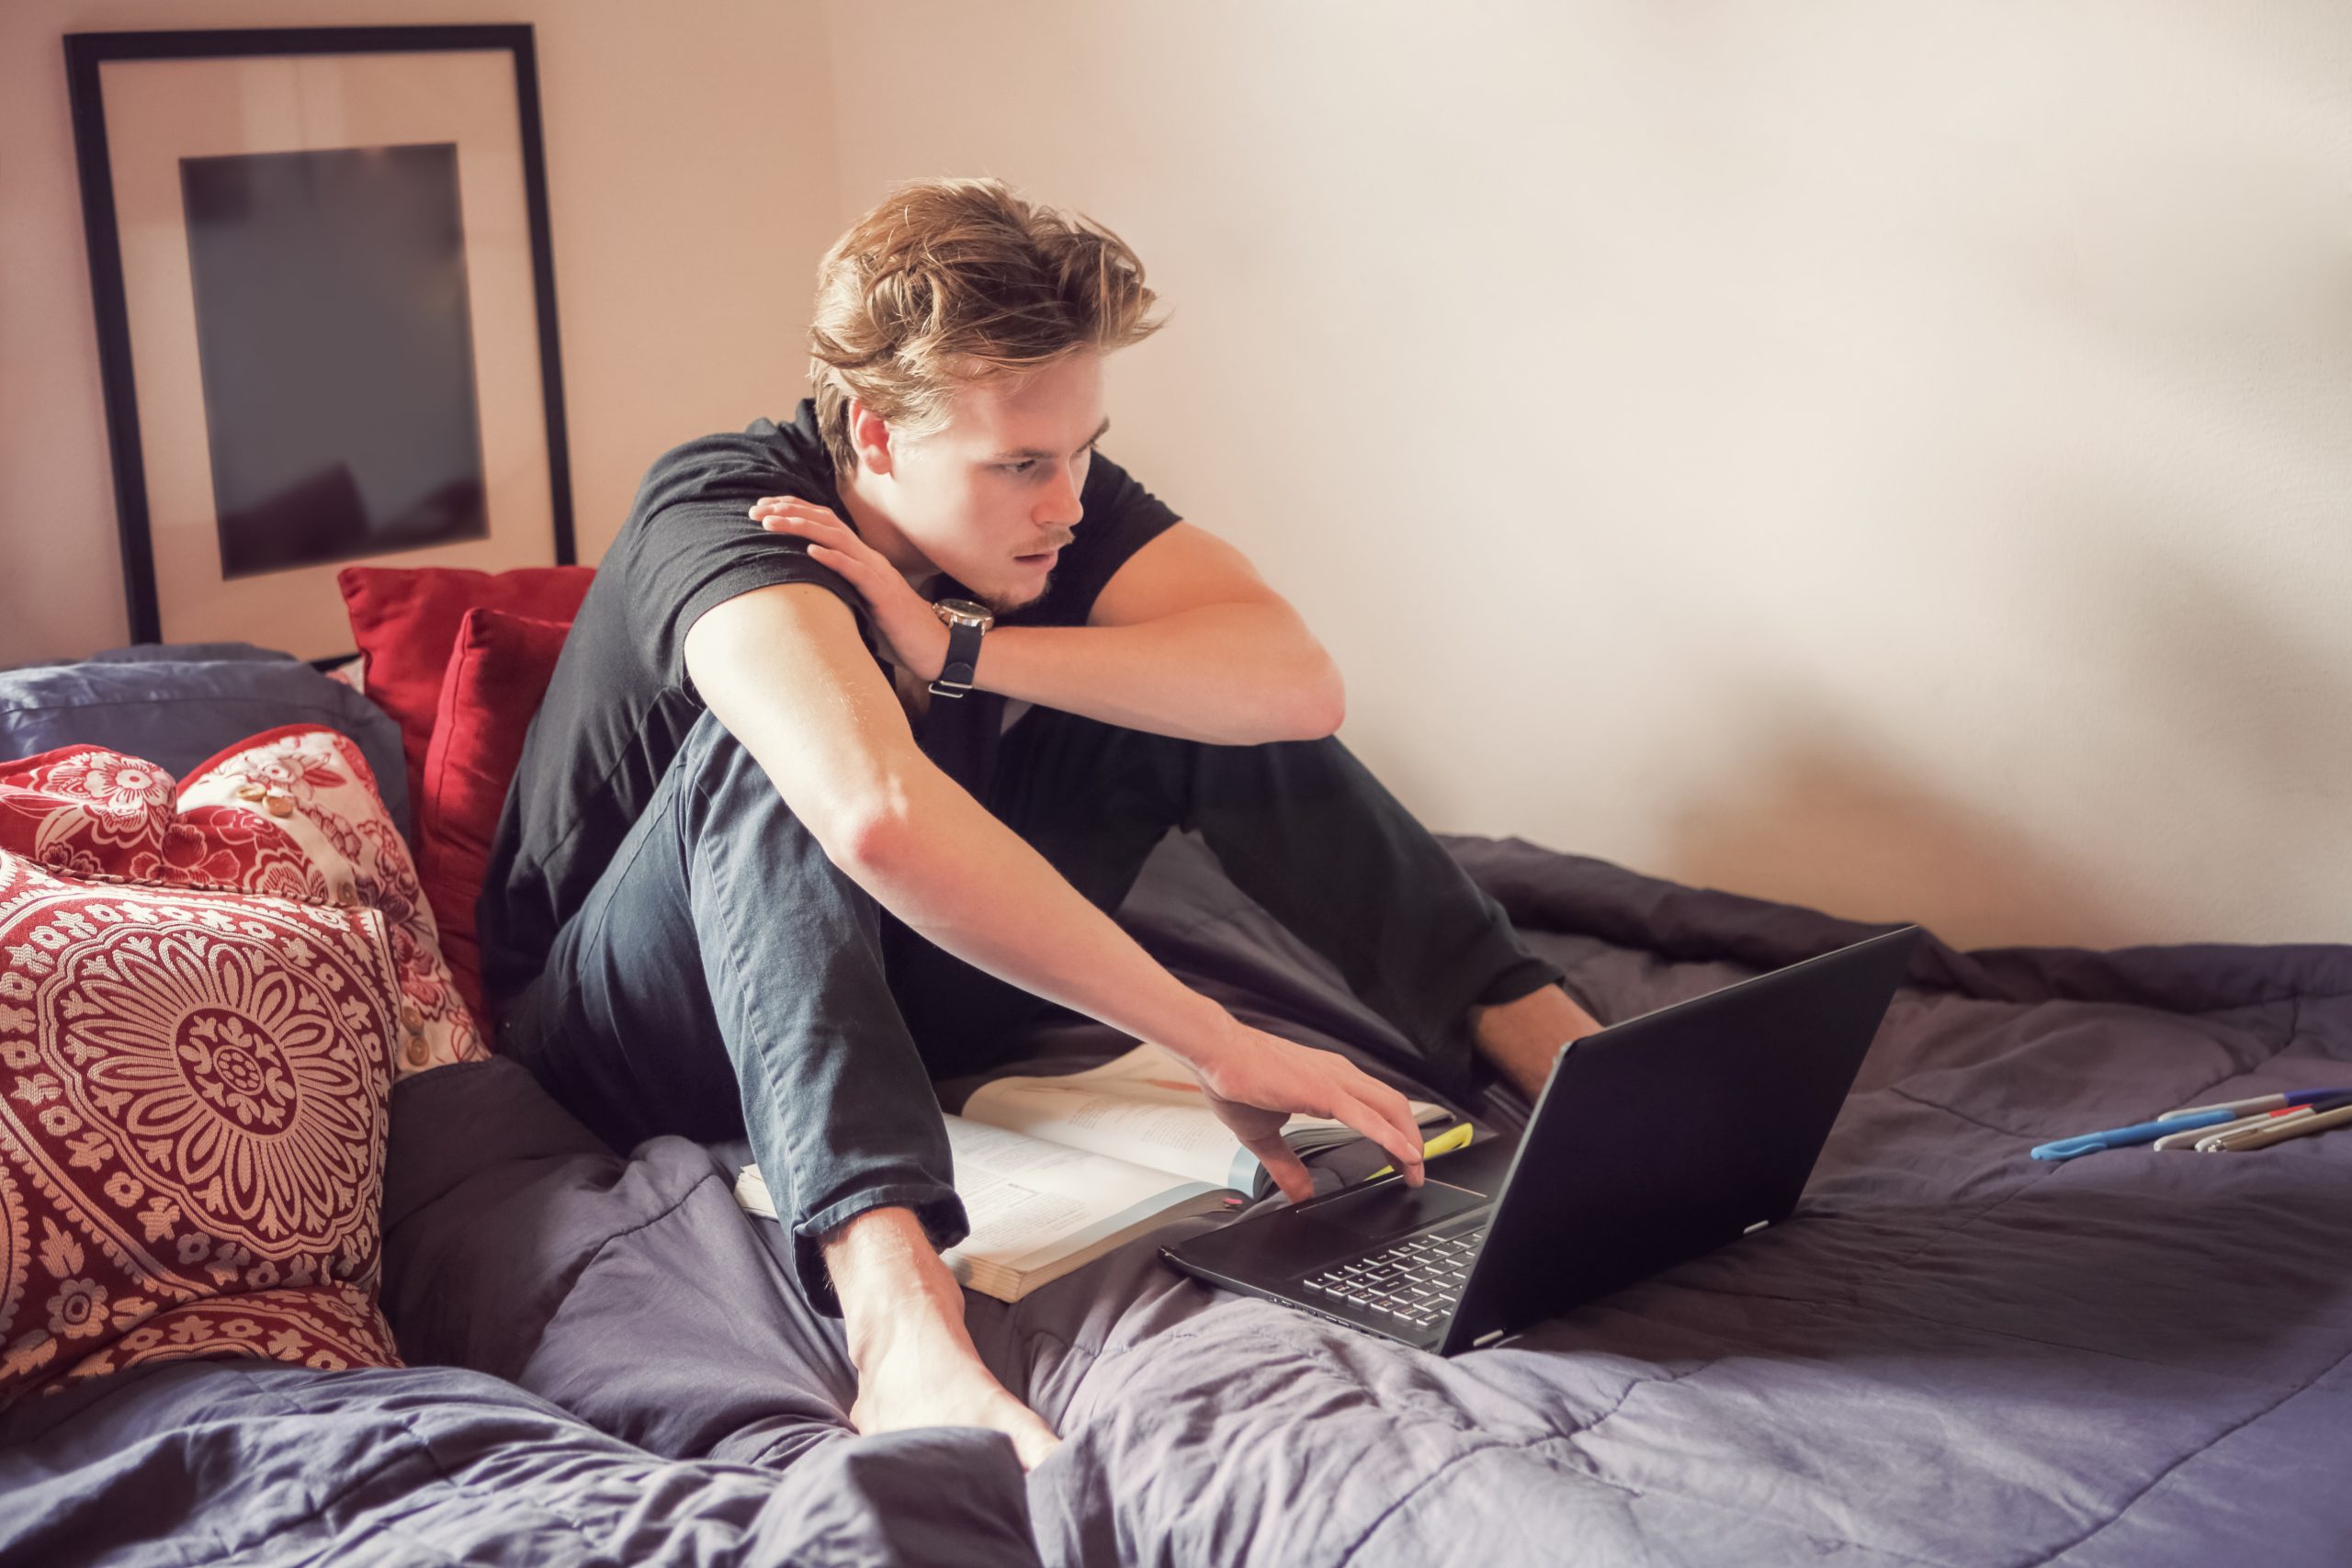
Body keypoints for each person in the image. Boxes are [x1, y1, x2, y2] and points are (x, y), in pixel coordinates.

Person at [479, 176, 1601, 1470]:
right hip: (642, 1027)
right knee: (782, 754)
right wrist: (1210, 1038)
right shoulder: (732, 513)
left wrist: (962, 650)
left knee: (1191, 703)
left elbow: (1294, 685)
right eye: (1021, 464)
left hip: (900, 972)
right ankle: (898, 1316)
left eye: (1080, 450)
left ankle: (1568, 1063)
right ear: (876, 434)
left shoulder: (1046, 497)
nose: (1065, 501)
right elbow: (877, 817)